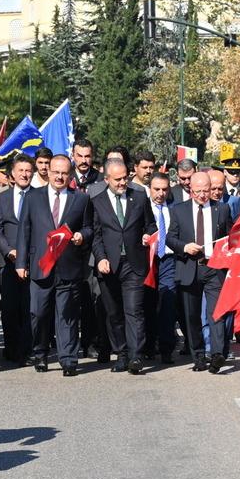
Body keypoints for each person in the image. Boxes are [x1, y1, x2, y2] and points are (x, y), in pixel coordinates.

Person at [15, 154, 92, 376]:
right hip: (41, 266)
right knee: (38, 313)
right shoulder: (33, 197)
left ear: (70, 175)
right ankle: (40, 353)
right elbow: (24, 231)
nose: (59, 177)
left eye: (64, 173)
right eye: (56, 172)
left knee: (67, 315)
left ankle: (68, 359)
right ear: (48, 171)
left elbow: (89, 228)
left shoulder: (81, 199)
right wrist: (21, 262)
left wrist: (81, 236)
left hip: (68, 267)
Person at [91, 160, 156, 374]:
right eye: (117, 179)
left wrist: (148, 235)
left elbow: (150, 224)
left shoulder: (138, 197)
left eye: (125, 178)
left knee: (134, 311)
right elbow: (96, 234)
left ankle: (136, 356)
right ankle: (122, 353)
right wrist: (100, 258)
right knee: (113, 313)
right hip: (109, 265)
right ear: (106, 179)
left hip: (134, 263)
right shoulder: (96, 201)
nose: (122, 183)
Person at [166, 171, 232, 372]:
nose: (203, 195)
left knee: (216, 313)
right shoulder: (179, 210)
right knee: (192, 315)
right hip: (189, 267)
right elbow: (169, 238)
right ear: (190, 190)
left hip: (213, 268)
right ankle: (199, 356)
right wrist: (185, 247)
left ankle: (218, 353)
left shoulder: (222, 209)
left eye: (206, 190)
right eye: (198, 192)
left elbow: (230, 236)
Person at [0, 156, 34, 366]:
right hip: (9, 262)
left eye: (28, 170)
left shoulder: (40, 196)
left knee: (29, 306)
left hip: (32, 261)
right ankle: (11, 348)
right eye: (21, 170)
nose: (25, 174)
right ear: (13, 173)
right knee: (9, 307)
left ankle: (28, 349)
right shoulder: (2, 198)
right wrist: (9, 251)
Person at [143, 172, 178, 365]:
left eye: (165, 189)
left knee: (167, 302)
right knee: (148, 303)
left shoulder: (175, 209)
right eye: (157, 189)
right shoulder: (142, 208)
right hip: (148, 260)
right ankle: (148, 346)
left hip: (169, 261)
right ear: (150, 189)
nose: (161, 193)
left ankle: (166, 348)